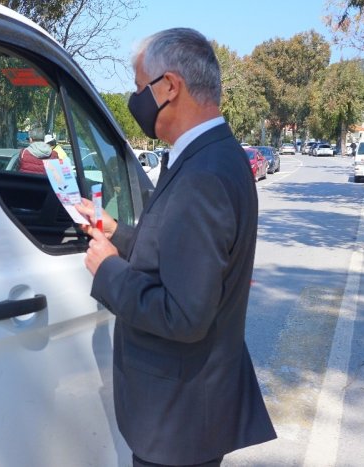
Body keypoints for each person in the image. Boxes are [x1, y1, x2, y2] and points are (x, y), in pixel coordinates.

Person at [76, 28, 275, 467]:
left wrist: (108, 270)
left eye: (138, 87)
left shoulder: (203, 175)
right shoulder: (212, 157)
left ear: (169, 86)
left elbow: (184, 315)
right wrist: (119, 234)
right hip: (186, 415)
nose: (135, 100)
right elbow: (178, 252)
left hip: (178, 423)